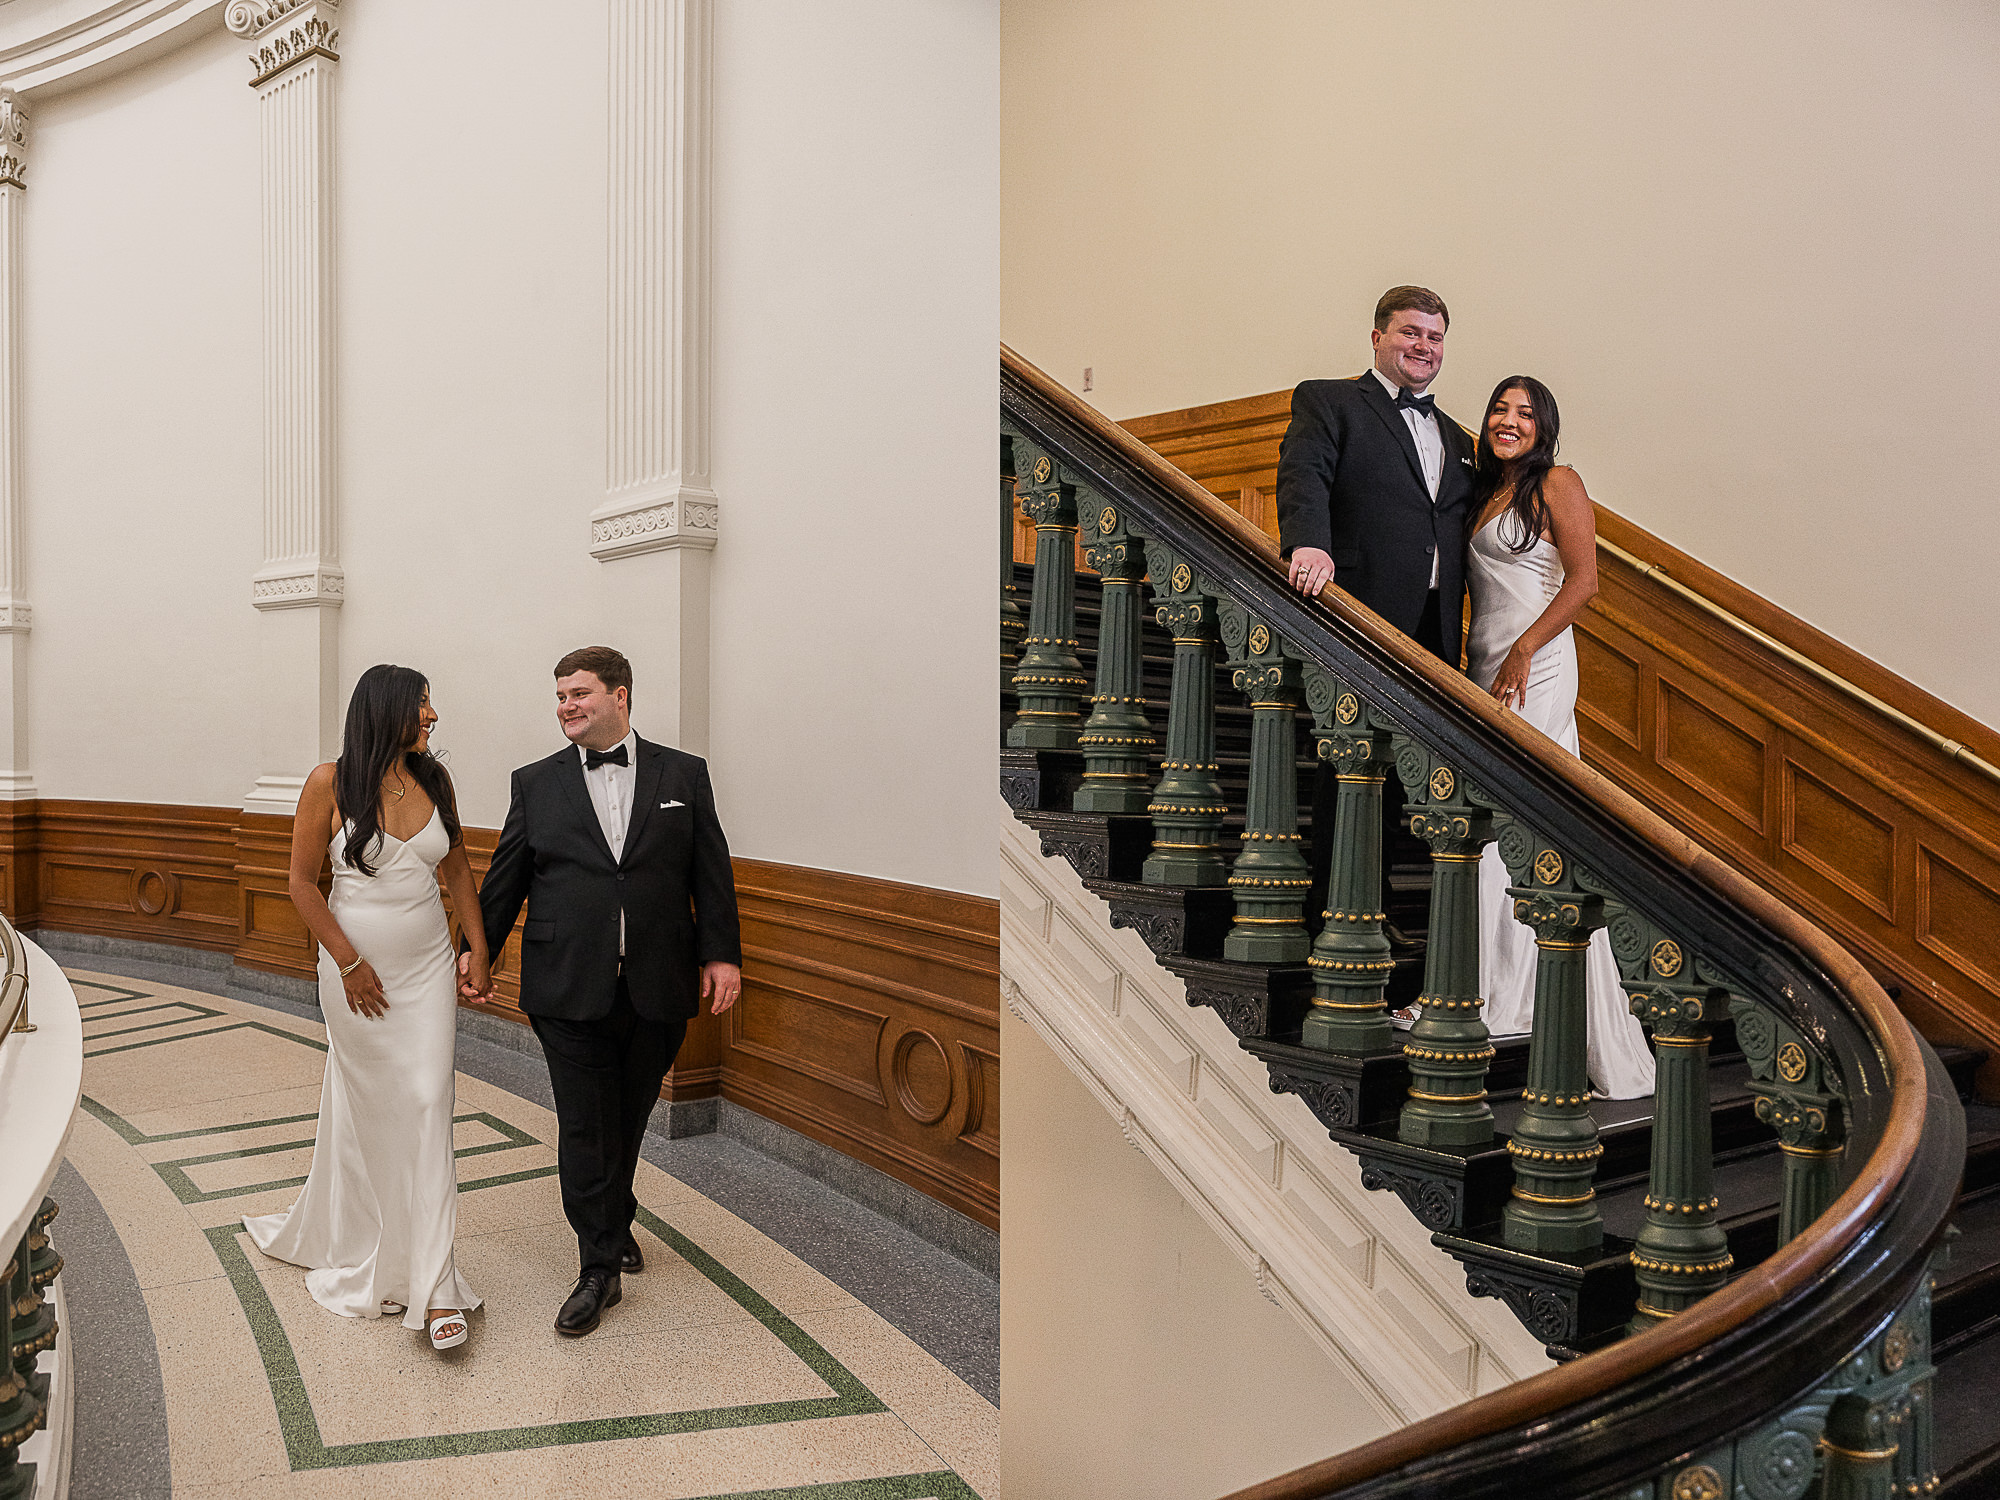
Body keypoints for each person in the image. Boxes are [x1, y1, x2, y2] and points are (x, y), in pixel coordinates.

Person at [459, 646, 743, 1336]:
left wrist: (722, 955)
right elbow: (505, 882)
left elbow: (711, 870)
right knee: (586, 1122)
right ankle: (598, 1268)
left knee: (630, 1114)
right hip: (566, 983)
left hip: (659, 980)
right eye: (560, 696)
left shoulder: (684, 774)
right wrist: (474, 953)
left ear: (620, 696)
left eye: (579, 693)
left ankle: (614, 1219)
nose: (567, 706)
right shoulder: (535, 783)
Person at [245, 665, 489, 1352]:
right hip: (356, 977)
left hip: (429, 971)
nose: (433, 715)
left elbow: (459, 869)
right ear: (387, 711)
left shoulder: (434, 782)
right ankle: (385, 1252)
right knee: (382, 1116)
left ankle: (436, 1285)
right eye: (422, 704)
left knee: (427, 1103)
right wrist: (348, 963)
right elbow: (300, 884)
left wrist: (478, 946)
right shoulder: (330, 782)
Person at [1462, 375, 1653, 1099]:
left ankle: (1499, 997)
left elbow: (1585, 583)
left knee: (1509, 825)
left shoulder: (1559, 483)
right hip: (1484, 666)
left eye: (1526, 413)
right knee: (1483, 821)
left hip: (1534, 668)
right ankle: (1492, 987)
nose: (1510, 421)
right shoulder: (1485, 492)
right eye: (1501, 409)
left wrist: (1525, 649)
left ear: (1546, 428)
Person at [1277, 286, 1478, 954]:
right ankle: (1334, 908)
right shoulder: (1330, 400)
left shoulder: (1454, 435)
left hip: (1432, 628)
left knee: (1396, 775)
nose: (1424, 347)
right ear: (1376, 337)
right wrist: (1309, 542)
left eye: (1436, 336)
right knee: (1347, 763)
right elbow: (1304, 473)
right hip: (1359, 615)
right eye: (1411, 333)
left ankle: (1378, 902)